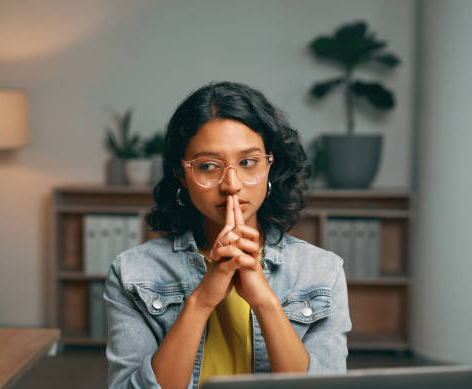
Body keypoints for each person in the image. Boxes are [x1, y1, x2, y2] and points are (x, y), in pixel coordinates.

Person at [104, 81, 351, 389]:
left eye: (248, 162)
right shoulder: (132, 273)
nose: (231, 184)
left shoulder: (322, 272)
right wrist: (203, 298)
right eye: (209, 166)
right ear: (182, 174)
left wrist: (264, 301)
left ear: (270, 166)